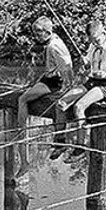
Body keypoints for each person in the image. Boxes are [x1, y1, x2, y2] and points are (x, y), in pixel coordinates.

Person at [50, 20, 106, 163]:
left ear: (104, 33)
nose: (95, 43)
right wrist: (85, 63)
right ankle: (60, 141)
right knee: (61, 103)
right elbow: (88, 63)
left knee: (79, 107)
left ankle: (81, 147)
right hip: (91, 81)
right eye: (92, 40)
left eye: (96, 39)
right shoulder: (93, 46)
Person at [17, 16, 73, 172]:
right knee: (25, 92)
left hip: (55, 83)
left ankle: (21, 128)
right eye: (35, 32)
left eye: (39, 33)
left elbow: (67, 68)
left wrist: (67, 89)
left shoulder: (55, 46)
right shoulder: (52, 41)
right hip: (49, 79)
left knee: (23, 99)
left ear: (48, 31)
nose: (36, 36)